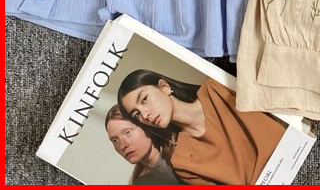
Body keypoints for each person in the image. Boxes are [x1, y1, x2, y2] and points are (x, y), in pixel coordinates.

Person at [117, 69, 287, 185]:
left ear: (164, 87)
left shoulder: (216, 88)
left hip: (294, 153)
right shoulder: (180, 160)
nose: (145, 114)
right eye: (136, 114)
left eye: (144, 99)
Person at [104, 104, 183, 185]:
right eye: (115, 140)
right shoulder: (141, 183)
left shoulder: (181, 150)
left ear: (146, 127)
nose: (122, 145)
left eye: (128, 132)